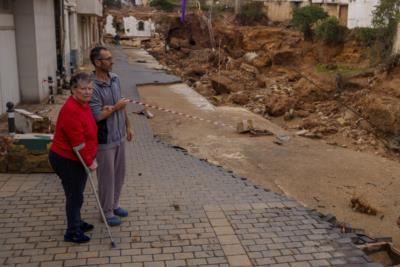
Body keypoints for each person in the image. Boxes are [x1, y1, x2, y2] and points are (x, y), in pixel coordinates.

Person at [49, 72, 98, 243]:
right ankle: (72, 232)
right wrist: (90, 161)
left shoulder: (83, 105)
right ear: (73, 90)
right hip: (68, 159)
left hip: (77, 158)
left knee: (76, 193)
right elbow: (78, 143)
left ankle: (76, 221)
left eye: (90, 88)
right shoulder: (71, 109)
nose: (87, 92)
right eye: (83, 89)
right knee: (74, 195)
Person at [89, 46, 133, 226]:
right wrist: (115, 108)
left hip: (119, 136)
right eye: (107, 59)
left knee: (119, 174)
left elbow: (122, 105)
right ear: (97, 63)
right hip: (104, 140)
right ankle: (106, 212)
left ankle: (115, 205)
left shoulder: (115, 79)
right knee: (106, 177)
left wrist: (128, 126)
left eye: (111, 57)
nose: (112, 61)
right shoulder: (92, 87)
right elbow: (97, 115)